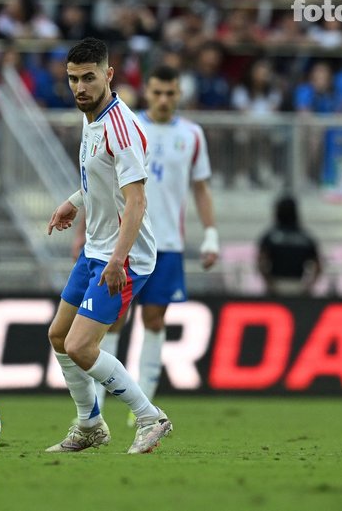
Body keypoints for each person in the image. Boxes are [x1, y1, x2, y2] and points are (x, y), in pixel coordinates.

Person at [45, 37, 172, 454]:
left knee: (82, 345)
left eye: (88, 78)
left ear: (108, 75)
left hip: (125, 254)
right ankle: (90, 425)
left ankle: (152, 418)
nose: (80, 87)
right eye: (73, 79)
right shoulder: (90, 117)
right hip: (96, 249)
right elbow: (100, 182)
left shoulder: (123, 129)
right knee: (60, 335)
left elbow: (136, 201)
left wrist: (118, 260)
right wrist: (73, 201)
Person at [89, 64, 219, 426]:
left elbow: (201, 187)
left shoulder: (192, 134)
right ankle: (98, 397)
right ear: (147, 91)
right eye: (157, 92)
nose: (163, 100)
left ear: (179, 94)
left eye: (170, 93)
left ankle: (141, 404)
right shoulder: (128, 125)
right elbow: (98, 182)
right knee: (111, 318)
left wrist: (210, 233)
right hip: (125, 241)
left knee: (155, 319)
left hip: (168, 244)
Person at [257, 194, 321, 296]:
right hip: (298, 285)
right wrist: (309, 285)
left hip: (275, 284)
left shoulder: (270, 236)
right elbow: (318, 266)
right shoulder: (305, 238)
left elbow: (260, 262)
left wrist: (269, 282)